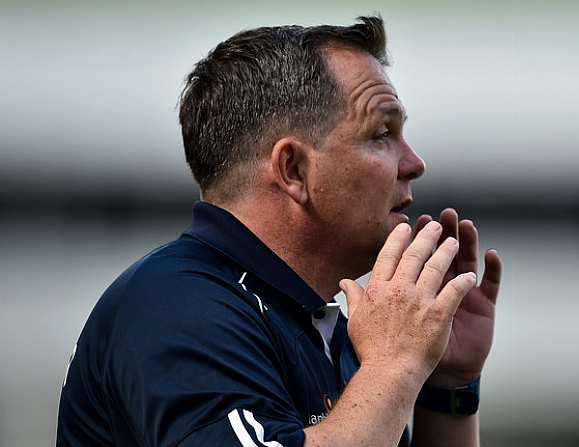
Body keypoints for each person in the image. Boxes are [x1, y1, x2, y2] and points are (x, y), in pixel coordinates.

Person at [57, 15, 502, 447]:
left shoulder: (323, 327)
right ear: (292, 169)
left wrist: (446, 387)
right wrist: (396, 365)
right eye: (382, 133)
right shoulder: (176, 306)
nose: (414, 163)